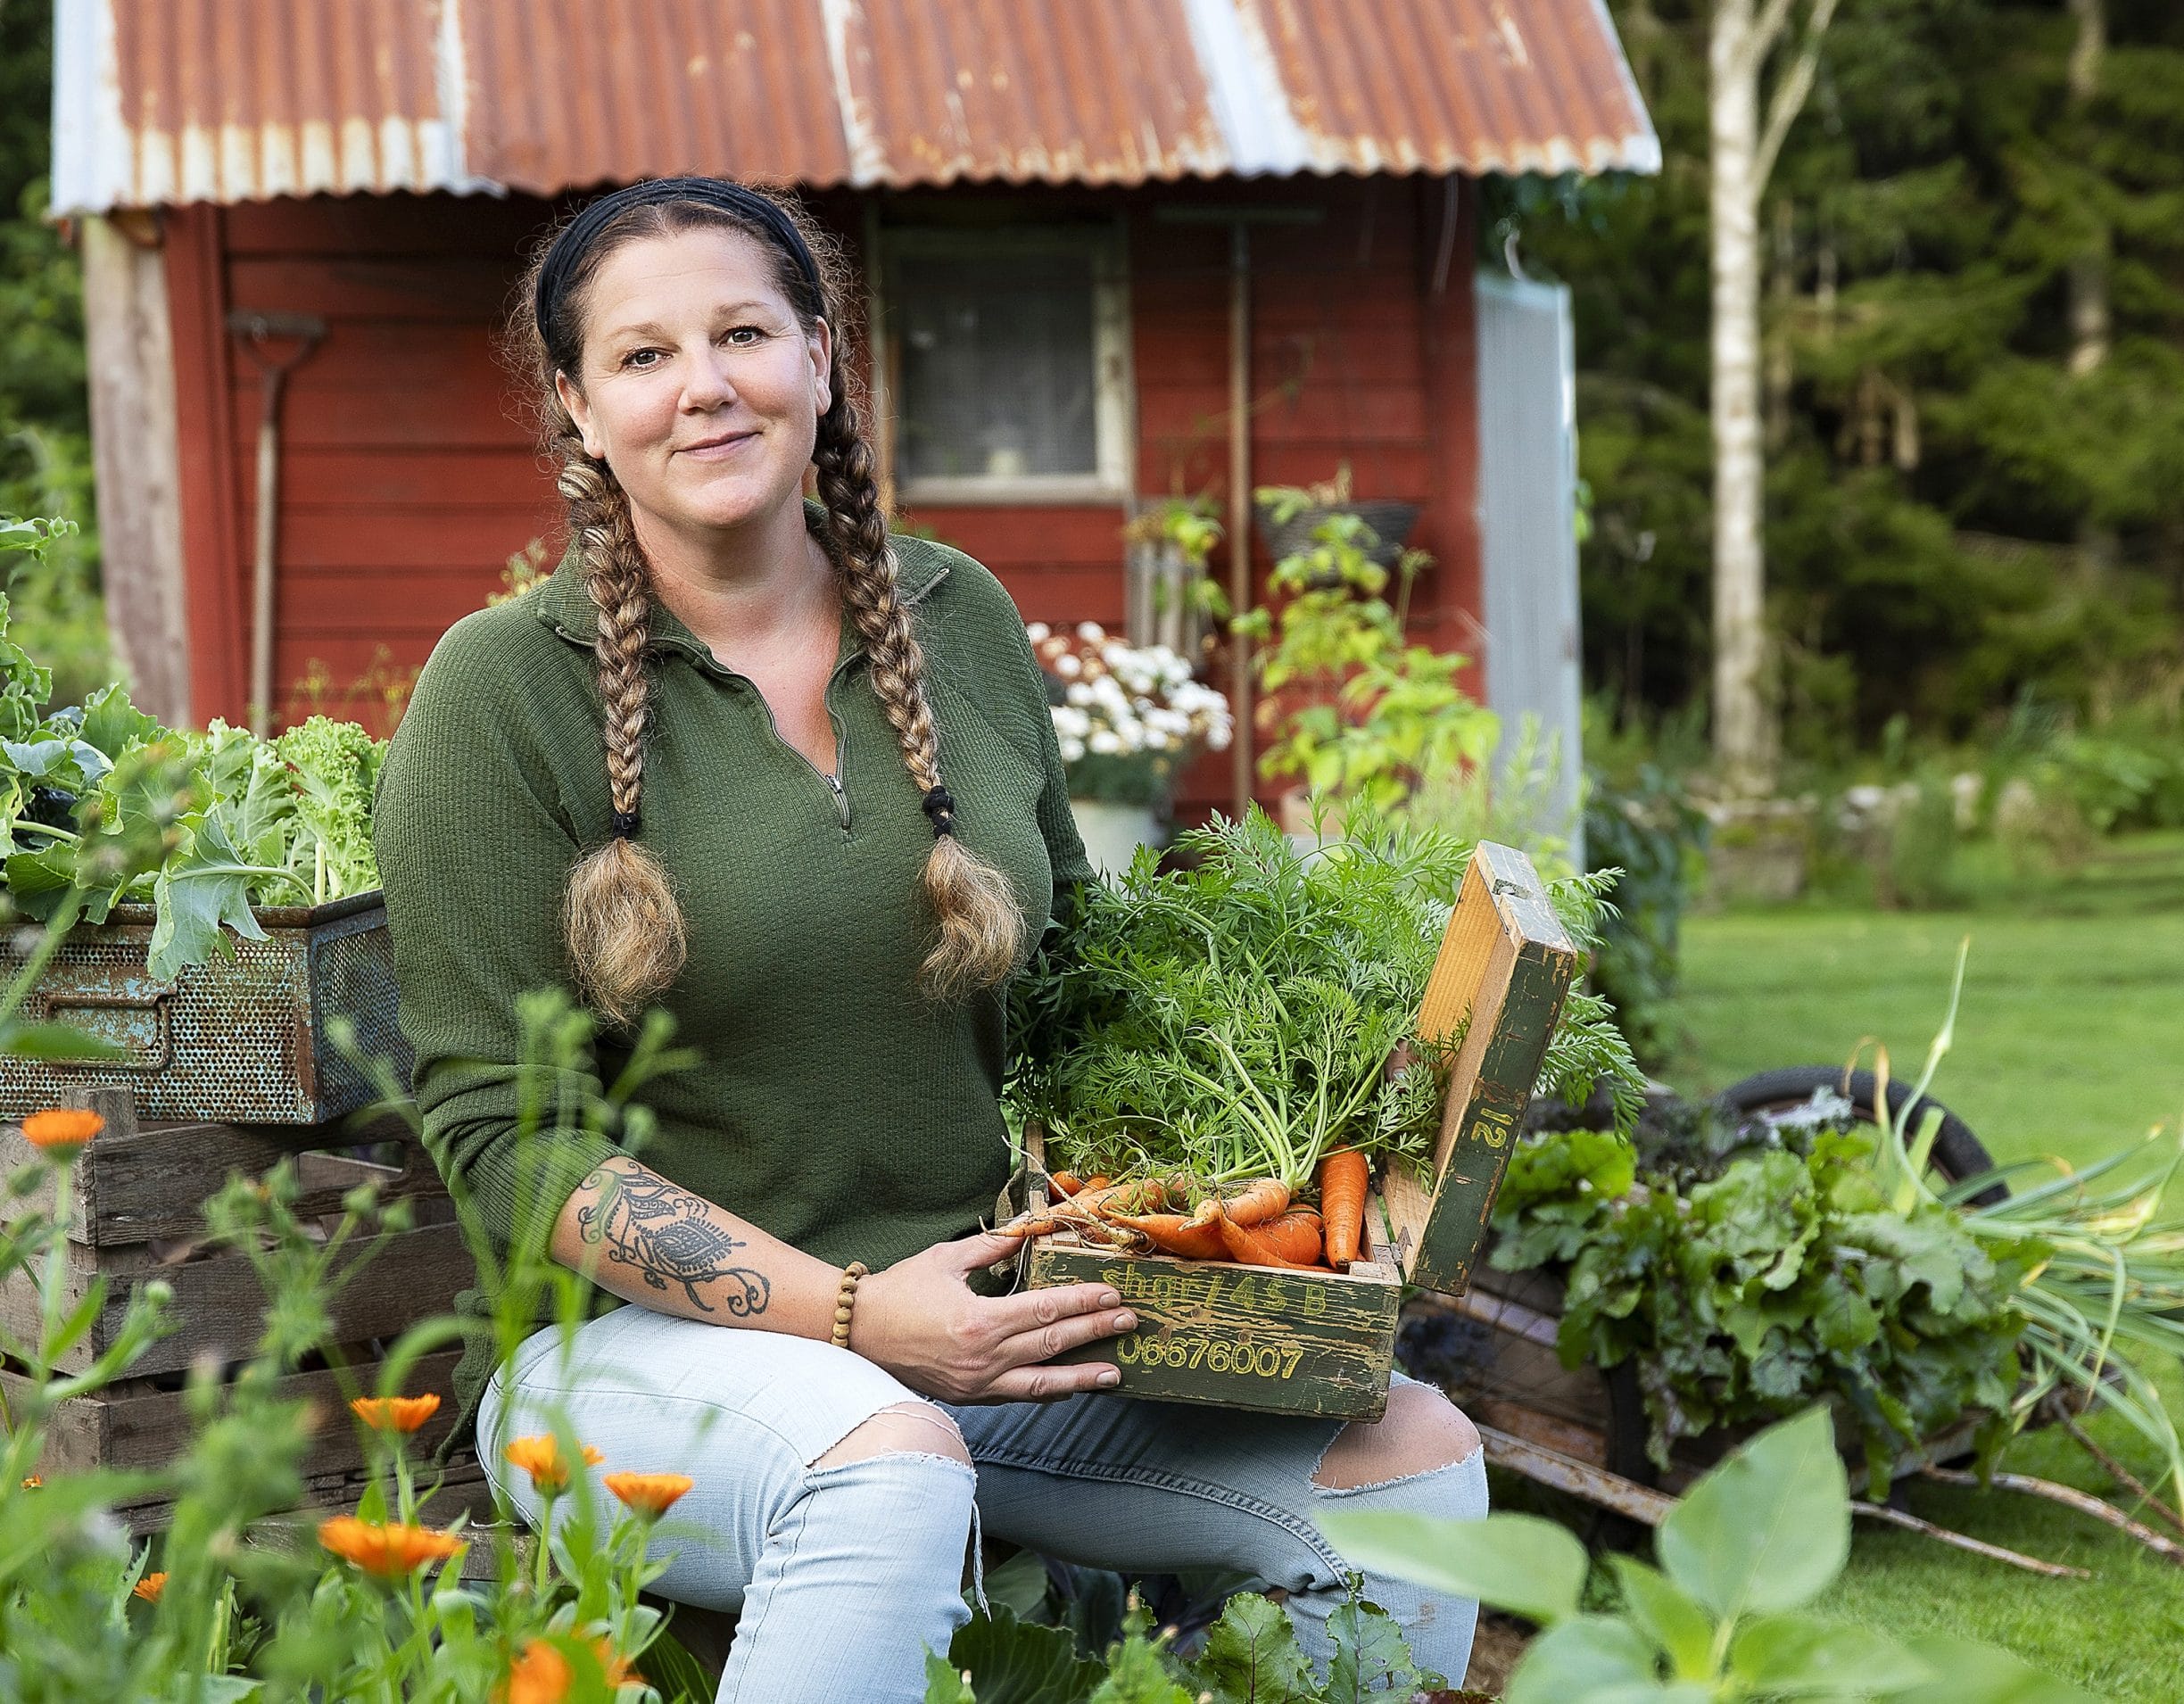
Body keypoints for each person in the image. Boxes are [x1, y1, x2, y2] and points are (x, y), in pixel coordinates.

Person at [374, 176, 1486, 1702]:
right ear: (576, 404)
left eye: (743, 332)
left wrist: (1321, 1160)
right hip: (628, 1358)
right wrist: (854, 1316)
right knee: (888, 1465)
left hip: (975, 1319)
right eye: (642, 356)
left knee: (1409, 1459)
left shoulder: (955, 617)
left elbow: (1081, 982)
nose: (703, 386)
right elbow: (511, 1140)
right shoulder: (503, 691)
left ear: (820, 359)